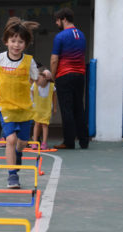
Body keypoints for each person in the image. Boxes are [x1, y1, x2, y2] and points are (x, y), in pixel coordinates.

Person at [0, 17, 40, 190]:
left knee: (22, 142)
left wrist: (39, 82)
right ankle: (12, 175)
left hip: (25, 108)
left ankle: (18, 154)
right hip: (5, 107)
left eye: (20, 41)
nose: (16, 45)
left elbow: (35, 79)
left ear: (25, 44)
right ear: (6, 41)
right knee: (11, 140)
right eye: (13, 41)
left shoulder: (29, 62)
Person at [50, 8, 89, 150]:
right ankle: (84, 141)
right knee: (79, 108)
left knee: (67, 109)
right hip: (80, 76)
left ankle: (69, 142)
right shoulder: (82, 35)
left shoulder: (60, 37)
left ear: (63, 19)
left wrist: (53, 77)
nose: (56, 23)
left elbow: (54, 60)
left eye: (57, 20)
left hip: (64, 76)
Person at [31, 68, 57, 150]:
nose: (38, 80)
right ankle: (35, 142)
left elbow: (54, 97)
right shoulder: (35, 85)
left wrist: (55, 107)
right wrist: (31, 104)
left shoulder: (51, 86)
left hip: (46, 108)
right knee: (37, 124)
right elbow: (32, 94)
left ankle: (44, 143)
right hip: (37, 107)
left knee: (45, 125)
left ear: (46, 79)